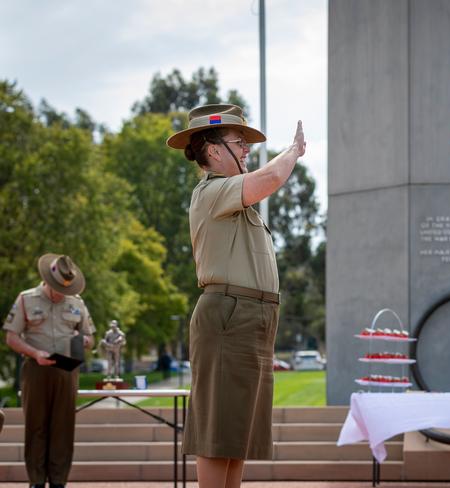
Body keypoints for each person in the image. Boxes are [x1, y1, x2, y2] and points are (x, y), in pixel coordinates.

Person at [166, 104, 306, 488]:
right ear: (212, 151)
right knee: (218, 432)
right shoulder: (212, 191)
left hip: (249, 316)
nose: (246, 151)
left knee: (236, 431)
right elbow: (271, 177)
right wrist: (293, 151)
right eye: (238, 143)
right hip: (230, 313)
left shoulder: (230, 197)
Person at [3, 254, 95, 488]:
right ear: (47, 281)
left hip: (66, 370)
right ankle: (36, 480)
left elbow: (89, 336)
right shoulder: (26, 299)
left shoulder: (77, 303)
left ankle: (58, 481)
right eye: (56, 289)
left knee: (63, 427)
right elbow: (11, 337)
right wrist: (35, 354)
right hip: (36, 369)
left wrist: (83, 341)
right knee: (36, 425)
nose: (60, 295)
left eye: (64, 290)